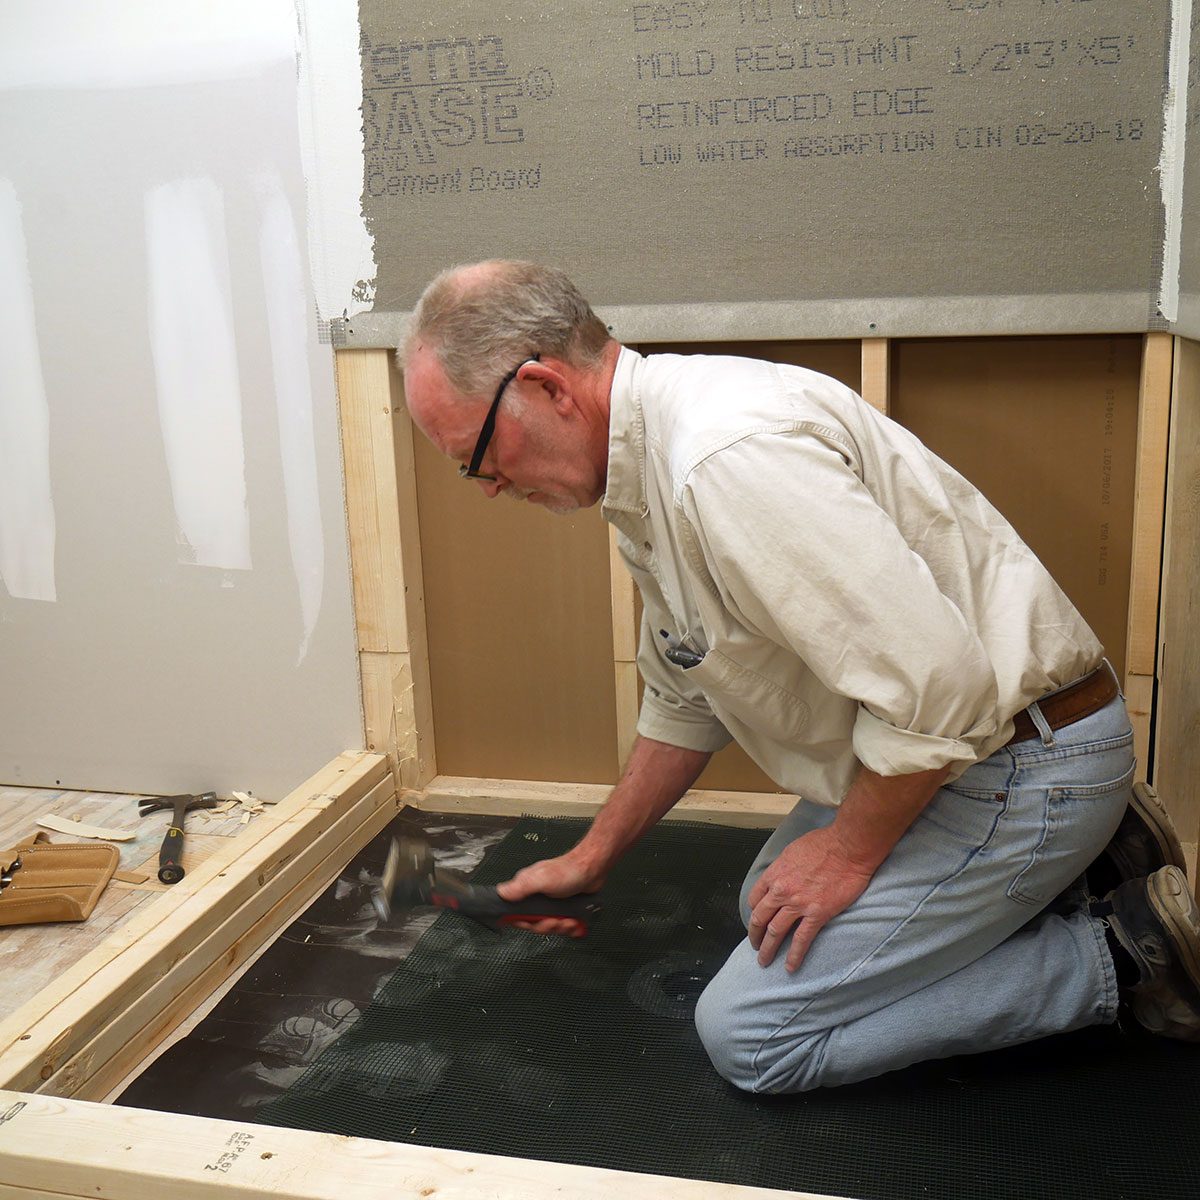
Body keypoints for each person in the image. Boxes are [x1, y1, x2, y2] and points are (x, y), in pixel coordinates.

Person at [399, 259, 1200, 1092]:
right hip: (967, 754)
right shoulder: (646, 466)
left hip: (1018, 760)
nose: (485, 485)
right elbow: (685, 692)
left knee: (754, 1037)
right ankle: (1084, 867)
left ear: (546, 387)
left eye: (478, 455)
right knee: (767, 911)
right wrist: (593, 856)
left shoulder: (724, 460)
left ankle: (1122, 951)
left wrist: (849, 854)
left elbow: (938, 691)